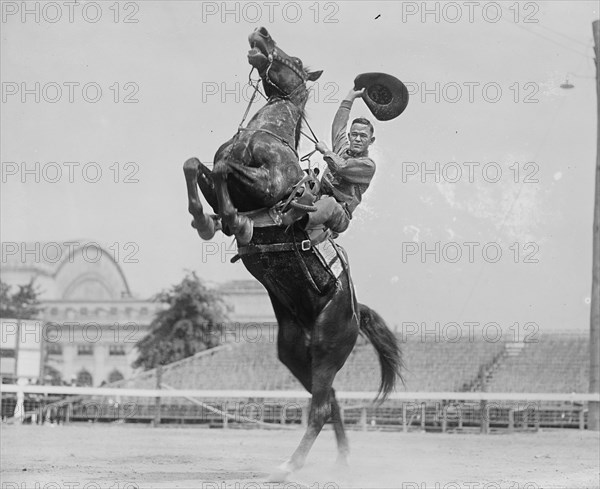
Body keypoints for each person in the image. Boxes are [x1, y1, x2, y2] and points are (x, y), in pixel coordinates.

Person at [282, 88, 376, 234]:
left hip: (339, 214)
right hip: (317, 197)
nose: (357, 139)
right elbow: (339, 125)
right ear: (349, 136)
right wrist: (351, 96)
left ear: (371, 141)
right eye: (355, 135)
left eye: (363, 136)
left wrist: (325, 151)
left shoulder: (368, 166)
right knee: (301, 180)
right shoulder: (342, 149)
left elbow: (342, 167)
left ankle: (296, 224)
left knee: (330, 203)